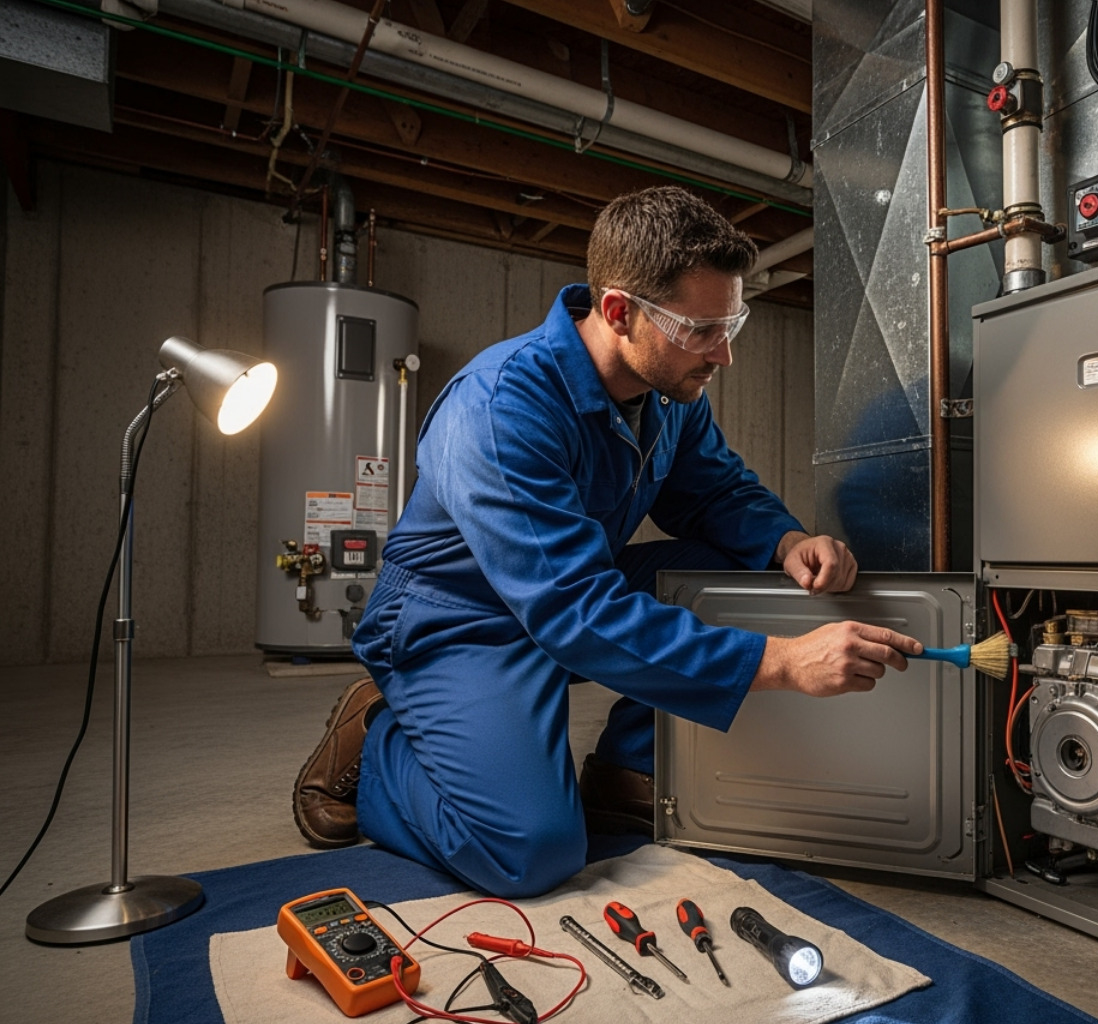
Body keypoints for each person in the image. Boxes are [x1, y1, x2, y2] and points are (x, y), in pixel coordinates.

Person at [292, 186, 923, 898]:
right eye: (702, 330)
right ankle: (380, 738)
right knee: (530, 852)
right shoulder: (500, 407)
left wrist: (786, 541)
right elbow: (574, 610)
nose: (725, 354)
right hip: (461, 622)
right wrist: (780, 662)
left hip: (564, 592)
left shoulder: (669, 392)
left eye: (731, 324)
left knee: (731, 569)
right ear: (620, 312)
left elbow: (714, 491)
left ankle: (625, 767)